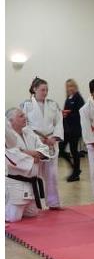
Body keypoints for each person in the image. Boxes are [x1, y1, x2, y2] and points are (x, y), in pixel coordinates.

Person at [20, 77, 63, 209]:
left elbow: (59, 122)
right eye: (42, 90)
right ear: (34, 89)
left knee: (52, 174)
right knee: (34, 173)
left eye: (47, 90)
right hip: (35, 143)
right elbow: (24, 125)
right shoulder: (25, 105)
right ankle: (33, 205)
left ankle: (53, 203)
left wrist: (54, 138)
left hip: (51, 142)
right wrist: (38, 139)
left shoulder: (53, 104)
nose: (45, 93)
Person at [5, 108, 51, 222]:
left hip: (31, 181)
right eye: (21, 116)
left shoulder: (29, 132)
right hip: (15, 182)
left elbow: (44, 148)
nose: (25, 117)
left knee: (32, 213)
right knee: (13, 218)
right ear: (11, 121)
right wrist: (32, 158)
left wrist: (29, 153)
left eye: (24, 115)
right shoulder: (6, 137)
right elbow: (12, 155)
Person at [59, 79, 85, 182]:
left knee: (74, 151)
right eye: (68, 86)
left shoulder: (78, 98)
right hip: (67, 129)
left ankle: (75, 173)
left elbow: (81, 114)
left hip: (75, 129)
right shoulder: (68, 98)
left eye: (72, 86)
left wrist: (68, 114)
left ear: (75, 87)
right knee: (61, 149)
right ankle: (75, 168)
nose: (70, 88)